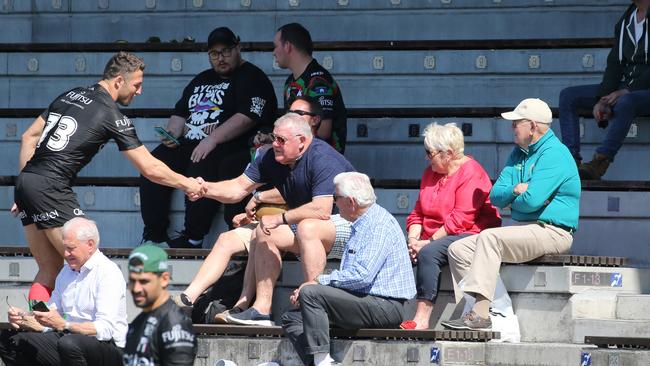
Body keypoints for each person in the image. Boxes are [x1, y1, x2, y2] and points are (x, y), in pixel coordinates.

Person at [11, 51, 203, 306]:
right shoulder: (112, 114)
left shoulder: (69, 94)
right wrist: (189, 183)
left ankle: (34, 331)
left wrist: (28, 188)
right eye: (137, 84)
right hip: (50, 187)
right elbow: (149, 167)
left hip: (26, 183)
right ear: (118, 81)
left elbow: (28, 137)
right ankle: (85, 334)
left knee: (49, 268)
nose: (140, 91)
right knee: (92, 267)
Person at [187, 113, 355, 326]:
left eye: (281, 140)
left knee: (285, 228)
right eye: (274, 137)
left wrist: (280, 218)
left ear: (302, 141)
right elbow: (237, 188)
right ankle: (252, 309)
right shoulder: (270, 157)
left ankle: (311, 306)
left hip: (349, 228)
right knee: (254, 233)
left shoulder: (323, 158)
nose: (274, 144)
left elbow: (322, 210)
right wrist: (204, 189)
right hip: (306, 226)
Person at [441, 98, 580, 330]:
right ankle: (492, 308)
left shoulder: (555, 153)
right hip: (526, 230)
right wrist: (517, 190)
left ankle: (481, 313)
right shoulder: (518, 153)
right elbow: (495, 196)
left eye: (516, 123)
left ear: (533, 126)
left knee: (489, 237)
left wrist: (514, 204)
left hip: (553, 232)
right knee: (458, 249)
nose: (512, 127)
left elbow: (530, 201)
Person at [139, 26, 278, 248]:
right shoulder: (202, 78)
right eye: (214, 53)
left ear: (238, 48)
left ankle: (193, 237)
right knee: (152, 164)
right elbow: (180, 112)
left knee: (201, 162)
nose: (220, 58)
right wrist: (172, 133)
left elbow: (247, 117)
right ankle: (154, 236)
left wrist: (212, 139)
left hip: (226, 144)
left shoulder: (252, 77)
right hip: (187, 142)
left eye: (226, 51)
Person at [281, 172, 416, 366]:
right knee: (292, 318)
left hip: (385, 306)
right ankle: (323, 362)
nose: (335, 203)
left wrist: (318, 281)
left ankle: (322, 362)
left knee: (311, 293)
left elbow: (362, 276)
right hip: (365, 301)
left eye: (336, 198)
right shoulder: (361, 223)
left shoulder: (378, 224)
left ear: (351, 202)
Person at [399, 123, 501, 330]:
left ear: (449, 154)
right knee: (396, 250)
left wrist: (425, 243)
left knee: (428, 253)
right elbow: (417, 213)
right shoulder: (431, 173)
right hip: (433, 236)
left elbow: (460, 219)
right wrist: (412, 240)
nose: (427, 157)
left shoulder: (471, 172)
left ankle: (422, 317)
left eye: (430, 153)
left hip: (468, 233)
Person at [0, 218, 127, 366]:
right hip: (69, 340)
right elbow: (53, 315)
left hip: (109, 348)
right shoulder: (66, 272)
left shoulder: (108, 272)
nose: (65, 254)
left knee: (69, 343)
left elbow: (106, 330)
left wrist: (64, 325)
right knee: (9, 341)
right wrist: (25, 318)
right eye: (64, 247)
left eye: (71, 248)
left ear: (90, 245)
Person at [558, 0, 650, 180]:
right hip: (629, 87)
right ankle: (570, 162)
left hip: (642, 90)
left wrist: (628, 90)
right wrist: (603, 98)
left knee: (626, 101)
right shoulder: (626, 21)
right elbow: (615, 62)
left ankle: (600, 161)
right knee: (568, 96)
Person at [273, 22, 347, 153]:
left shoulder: (318, 80)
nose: (273, 52)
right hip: (297, 157)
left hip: (322, 160)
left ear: (287, 46)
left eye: (275, 46)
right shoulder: (290, 82)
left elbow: (323, 132)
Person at [123, 245, 197, 366]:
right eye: (132, 281)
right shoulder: (139, 321)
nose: (136, 289)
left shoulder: (174, 323)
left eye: (144, 281)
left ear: (164, 279)